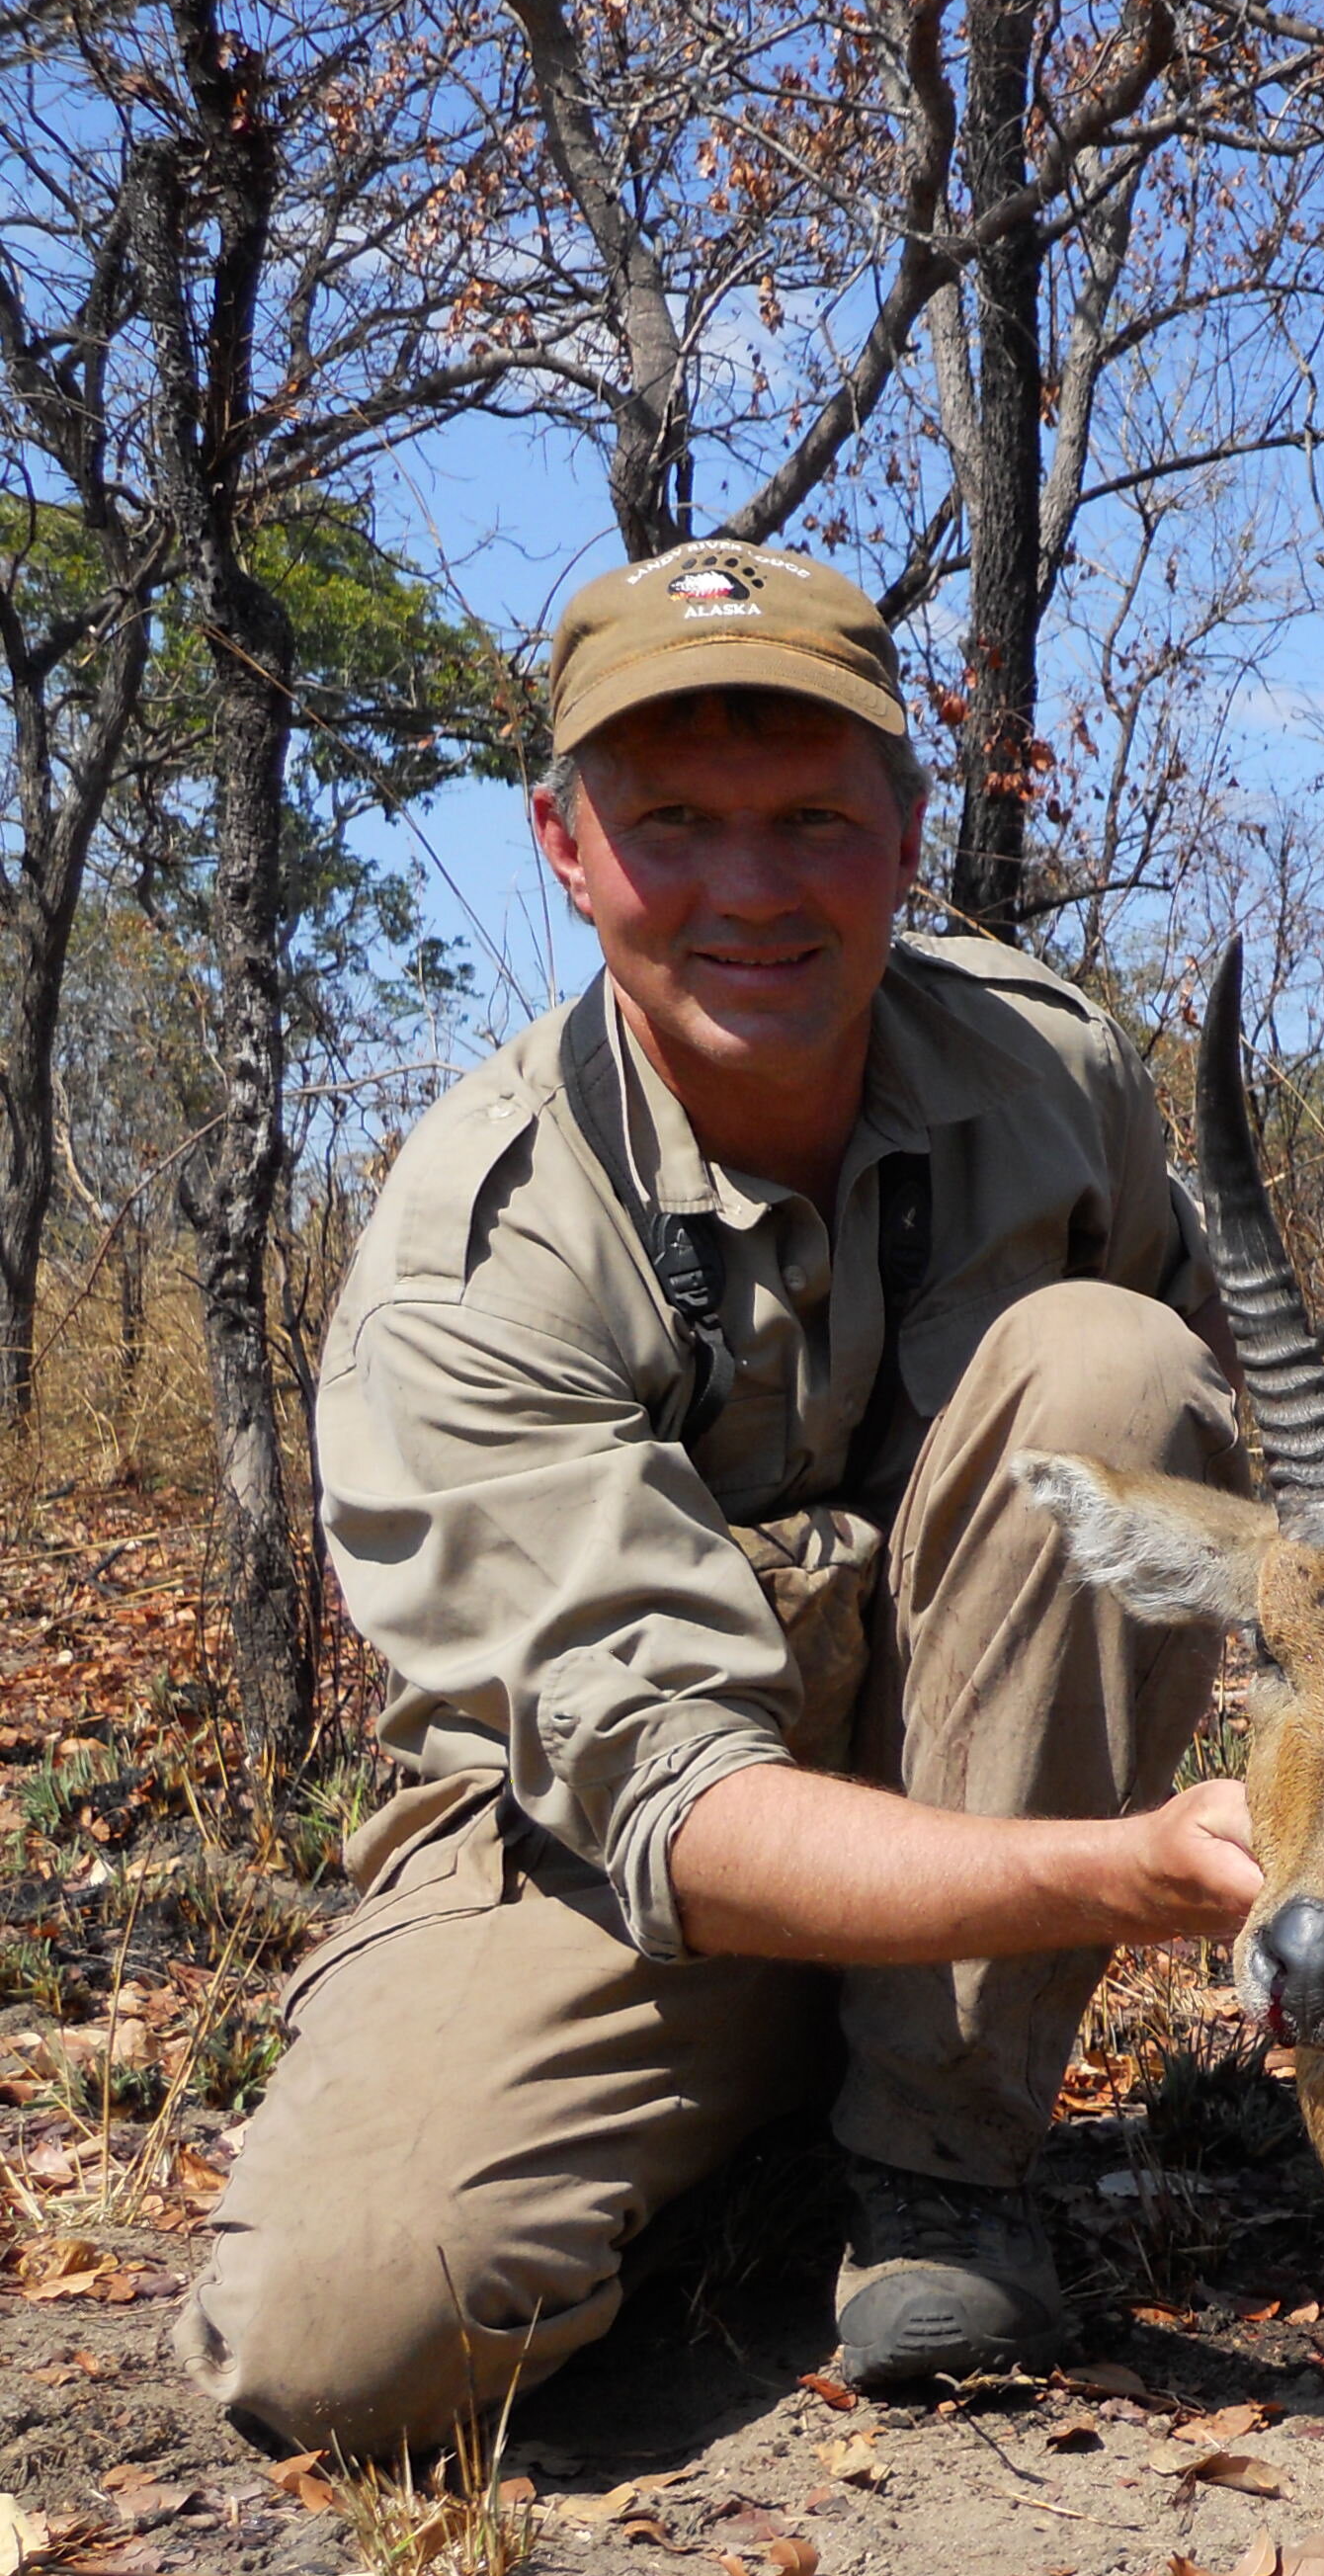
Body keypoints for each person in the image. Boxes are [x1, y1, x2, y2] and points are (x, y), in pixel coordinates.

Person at [172, 544, 1265, 2455]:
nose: (749, 887)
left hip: (946, 1793)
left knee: (1119, 1374)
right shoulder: (479, 1252)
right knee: (343, 2344)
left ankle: (941, 2161)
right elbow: (663, 1798)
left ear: (911, 831)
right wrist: (1128, 1877)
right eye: (672, 820)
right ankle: (772, 2074)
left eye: (811, 819)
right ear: (564, 844)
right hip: (607, 1847)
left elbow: (1241, 1479)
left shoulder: (1055, 1073)